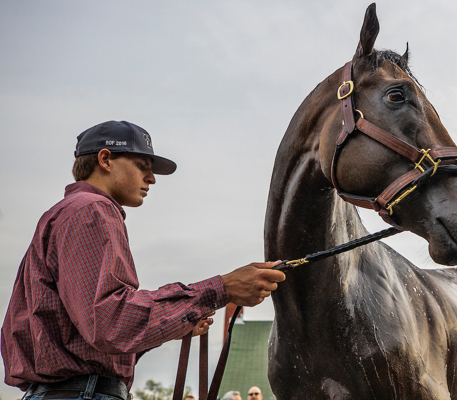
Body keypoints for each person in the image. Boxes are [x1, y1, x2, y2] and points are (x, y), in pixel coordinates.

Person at [1, 121, 285, 400]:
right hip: (80, 393)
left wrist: (180, 321)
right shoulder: (91, 211)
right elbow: (108, 322)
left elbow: (92, 337)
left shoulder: (68, 213)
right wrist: (220, 288)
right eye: (142, 166)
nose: (151, 178)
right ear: (105, 159)